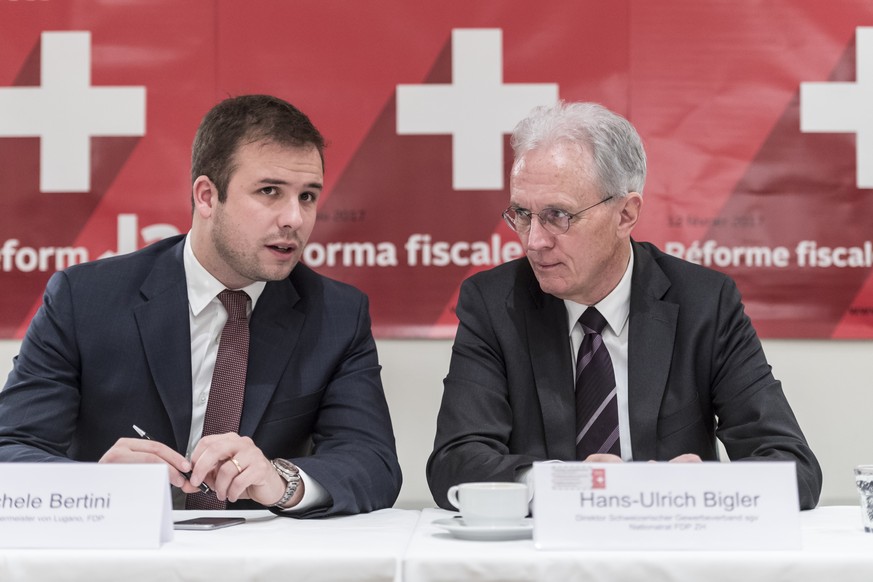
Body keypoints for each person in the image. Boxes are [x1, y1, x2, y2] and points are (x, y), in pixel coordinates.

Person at [0, 94, 402, 516]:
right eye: (270, 191)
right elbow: (11, 447)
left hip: (260, 564)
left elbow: (373, 464)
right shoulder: (85, 299)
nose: (295, 219)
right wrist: (97, 485)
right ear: (207, 197)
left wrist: (281, 481)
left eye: (307, 196)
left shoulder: (336, 315)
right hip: (118, 556)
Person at [427, 101, 821, 510]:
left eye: (558, 216)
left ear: (626, 214)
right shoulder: (494, 304)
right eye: (523, 215)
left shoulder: (705, 303)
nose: (534, 241)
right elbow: (454, 464)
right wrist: (562, 486)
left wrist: (710, 485)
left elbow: (795, 469)